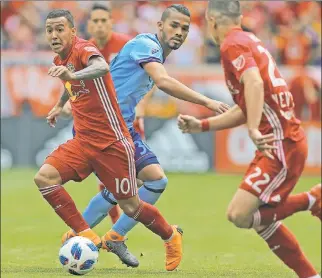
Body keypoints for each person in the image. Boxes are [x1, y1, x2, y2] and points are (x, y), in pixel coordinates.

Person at [61, 4, 230, 268]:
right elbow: (162, 81)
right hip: (102, 127)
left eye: (185, 28)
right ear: (160, 26)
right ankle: (104, 235)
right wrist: (208, 102)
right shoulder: (146, 45)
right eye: (174, 25)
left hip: (119, 127)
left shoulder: (153, 53)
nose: (180, 32)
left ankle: (87, 235)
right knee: (148, 182)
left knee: (139, 184)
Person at [177, 2, 321, 278]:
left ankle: (312, 199)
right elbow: (247, 104)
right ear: (240, 18)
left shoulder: (232, 44)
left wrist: (254, 129)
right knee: (261, 220)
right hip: (281, 140)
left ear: (211, 20)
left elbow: (253, 83)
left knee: (240, 215)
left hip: (280, 143)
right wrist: (203, 125)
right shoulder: (249, 39)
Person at [34, 9, 184, 272]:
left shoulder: (86, 48)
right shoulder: (63, 57)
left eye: (59, 29)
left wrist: (73, 76)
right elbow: (72, 84)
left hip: (113, 141)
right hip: (83, 139)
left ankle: (170, 235)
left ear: (73, 31)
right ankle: (87, 235)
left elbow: (101, 67)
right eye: (49, 30)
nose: (54, 35)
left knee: (131, 204)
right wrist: (59, 106)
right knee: (44, 178)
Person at [61, 4, 133, 225]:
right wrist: (65, 105)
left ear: (112, 21)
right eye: (96, 21)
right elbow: (72, 82)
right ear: (89, 24)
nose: (100, 25)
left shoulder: (126, 45)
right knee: (105, 175)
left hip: (128, 118)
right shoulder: (83, 49)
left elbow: (146, 75)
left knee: (136, 179)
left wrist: (142, 104)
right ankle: (115, 228)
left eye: (104, 20)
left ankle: (113, 228)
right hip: (99, 123)